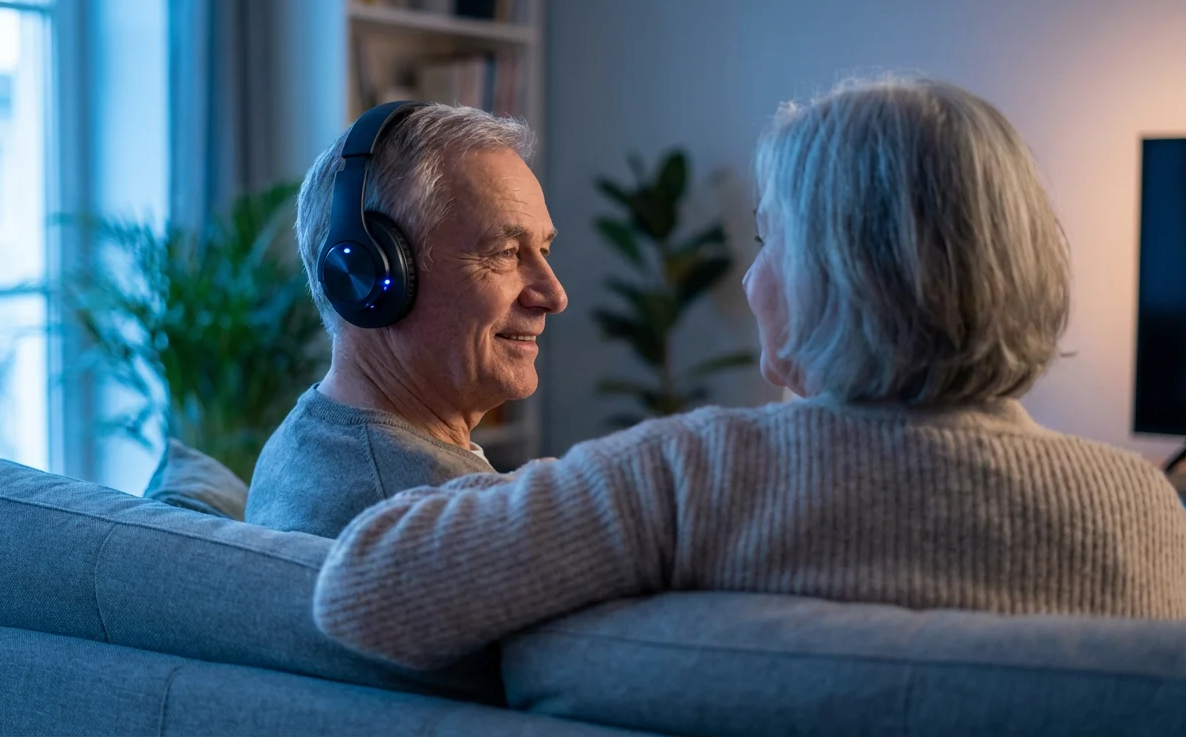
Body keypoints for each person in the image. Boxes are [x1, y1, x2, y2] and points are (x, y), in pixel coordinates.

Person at [311, 77, 1186, 670]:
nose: (749, 278)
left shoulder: (699, 477)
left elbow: (361, 593)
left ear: (834, 275)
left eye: (768, 244)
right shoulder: (1145, 511)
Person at [242, 103, 567, 537]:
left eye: (543, 251)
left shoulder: (306, 434)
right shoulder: (443, 526)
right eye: (505, 253)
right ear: (375, 277)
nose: (553, 296)